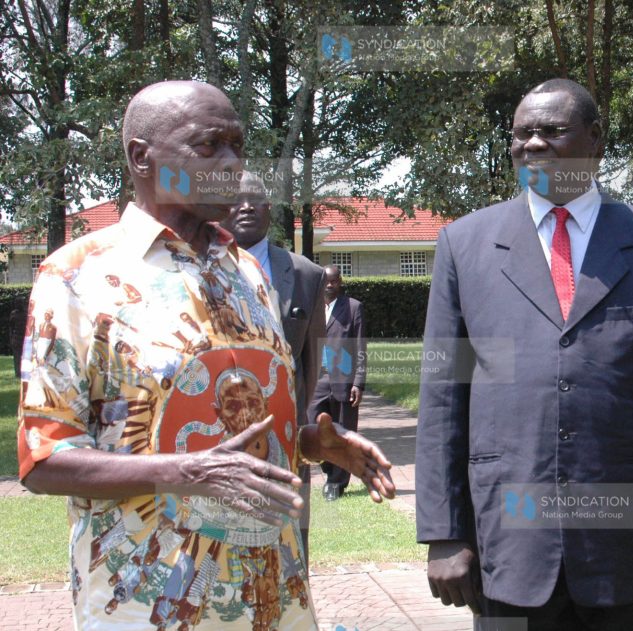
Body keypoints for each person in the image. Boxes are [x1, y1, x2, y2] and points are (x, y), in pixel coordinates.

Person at [16, 80, 395, 630]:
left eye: (238, 146)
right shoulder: (76, 279)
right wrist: (188, 471)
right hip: (150, 605)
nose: (233, 165)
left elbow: (239, 425)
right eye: (209, 146)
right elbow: (43, 461)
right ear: (141, 158)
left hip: (274, 595)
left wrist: (311, 444)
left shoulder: (247, 272)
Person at [416, 78, 633, 630]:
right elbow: (442, 398)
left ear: (596, 141)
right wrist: (444, 532)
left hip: (629, 548)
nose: (533, 145)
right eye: (521, 134)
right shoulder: (462, 245)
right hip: (508, 547)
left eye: (552, 131)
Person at [221, 171, 327, 556]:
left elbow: (312, 364)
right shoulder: (194, 269)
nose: (246, 206)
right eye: (236, 198)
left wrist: (298, 425)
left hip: (283, 440)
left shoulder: (305, 275)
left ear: (270, 209)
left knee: (289, 547)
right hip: (214, 440)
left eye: (256, 199)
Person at [308, 264, 366, 501]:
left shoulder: (353, 308)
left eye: (334, 281)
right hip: (316, 380)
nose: (330, 285)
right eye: (326, 281)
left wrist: (359, 382)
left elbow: (360, 346)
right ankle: (328, 466)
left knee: (343, 431)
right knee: (312, 426)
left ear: (340, 282)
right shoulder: (311, 307)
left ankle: (336, 482)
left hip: (343, 380)